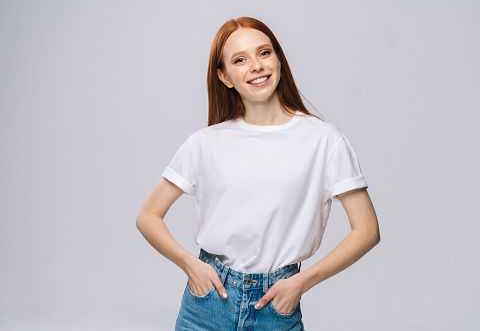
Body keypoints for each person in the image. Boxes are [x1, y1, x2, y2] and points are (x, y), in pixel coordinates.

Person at [136, 17, 380, 330]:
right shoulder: (204, 143)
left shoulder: (324, 139)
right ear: (225, 77)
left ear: (278, 59)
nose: (256, 66)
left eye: (264, 53)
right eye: (240, 60)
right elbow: (148, 215)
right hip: (208, 304)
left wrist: (302, 282)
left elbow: (367, 230)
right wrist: (190, 265)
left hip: (277, 304)